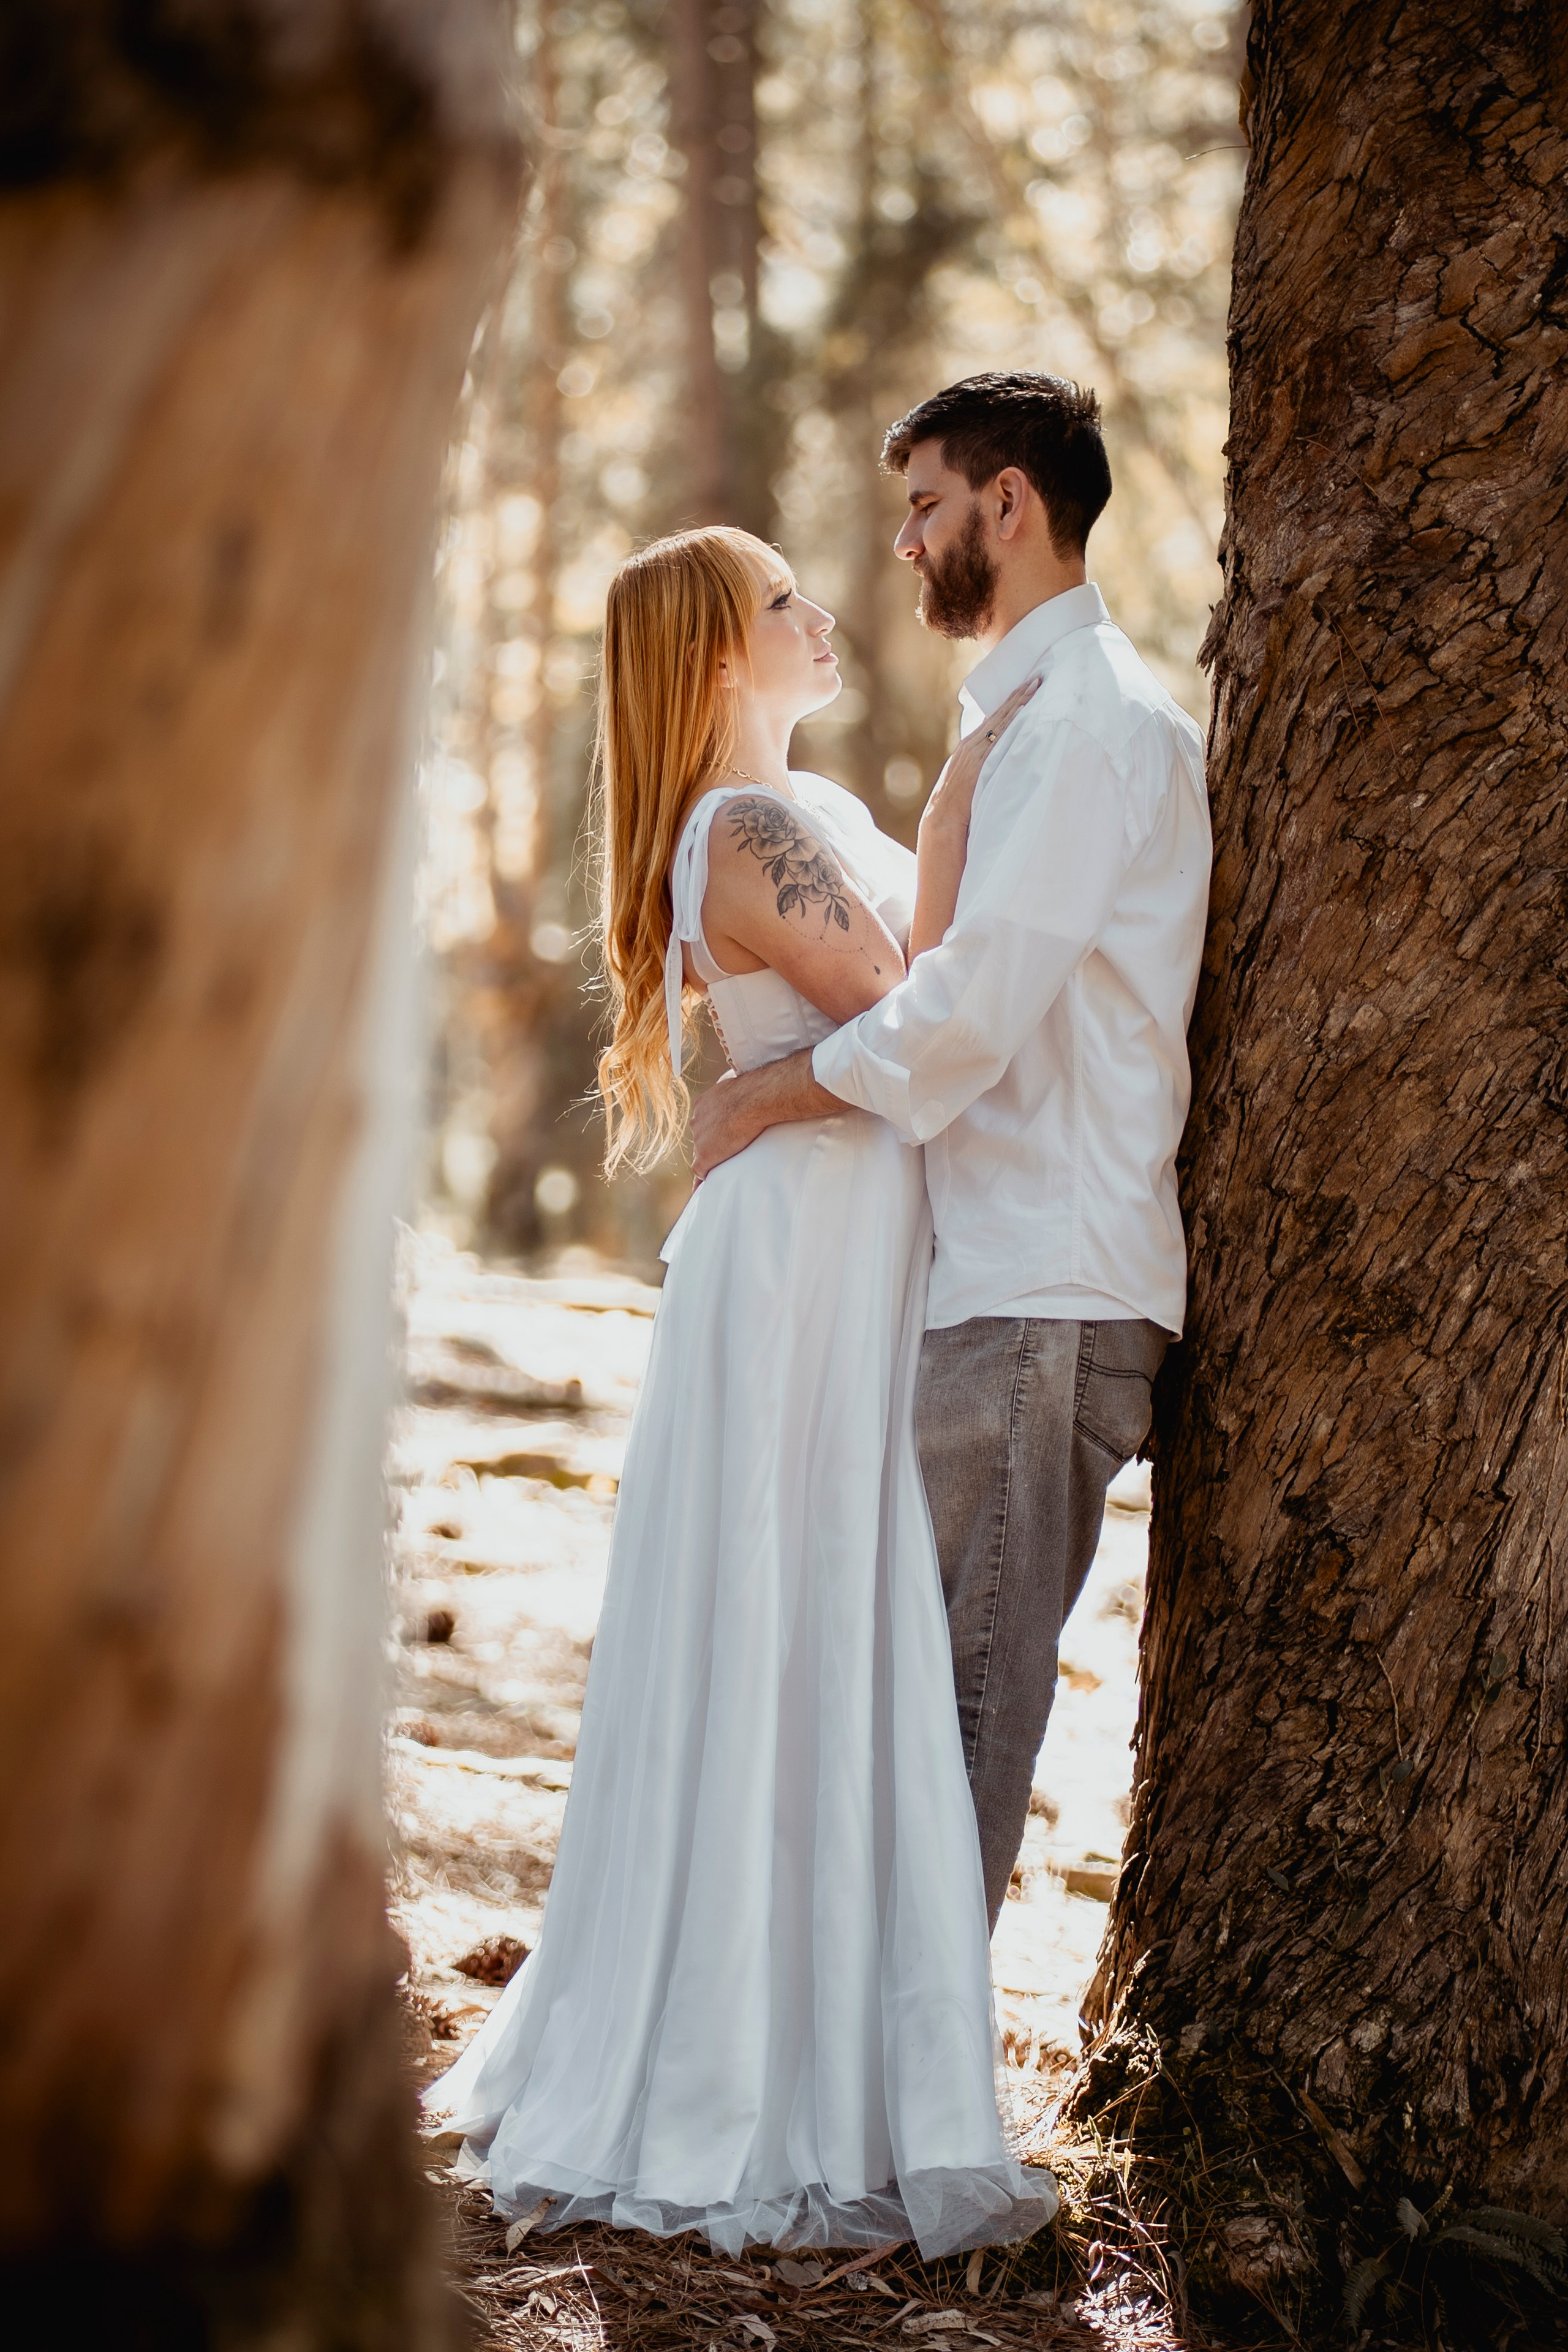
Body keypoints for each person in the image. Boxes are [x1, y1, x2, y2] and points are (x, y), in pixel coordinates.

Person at [424, 524, 1054, 2258]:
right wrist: (781, 1096)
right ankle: (739, 2071)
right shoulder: (751, 827)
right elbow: (918, 1009)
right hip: (801, 1264)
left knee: (805, 1621)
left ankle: (793, 2041)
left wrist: (780, 1085)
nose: (822, 610)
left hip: (826, 1236)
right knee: (789, 1618)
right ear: (717, 656)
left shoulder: (778, 815)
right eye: (784, 601)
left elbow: (894, 1003)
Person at [693, 374, 1213, 1928]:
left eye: (926, 504)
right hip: (994, 1280)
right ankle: (873, 2095)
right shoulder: (1031, 725)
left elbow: (966, 1016)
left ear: (1010, 503)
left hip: (1044, 1291)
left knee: (956, 1726)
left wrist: (765, 1100)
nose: (905, 542)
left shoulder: (1095, 727)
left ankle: (912, 2134)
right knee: (918, 1714)